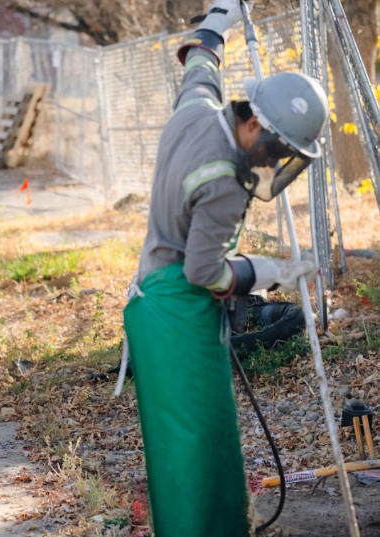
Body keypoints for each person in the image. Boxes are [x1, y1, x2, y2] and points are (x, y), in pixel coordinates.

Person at [123, 1, 327, 535]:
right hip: (175, 314)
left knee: (204, 443)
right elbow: (204, 273)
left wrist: (219, 17)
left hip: (157, 302)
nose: (274, 160)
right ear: (254, 121)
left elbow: (198, 66)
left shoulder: (197, 113)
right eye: (277, 146)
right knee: (194, 454)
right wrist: (274, 271)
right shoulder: (223, 183)